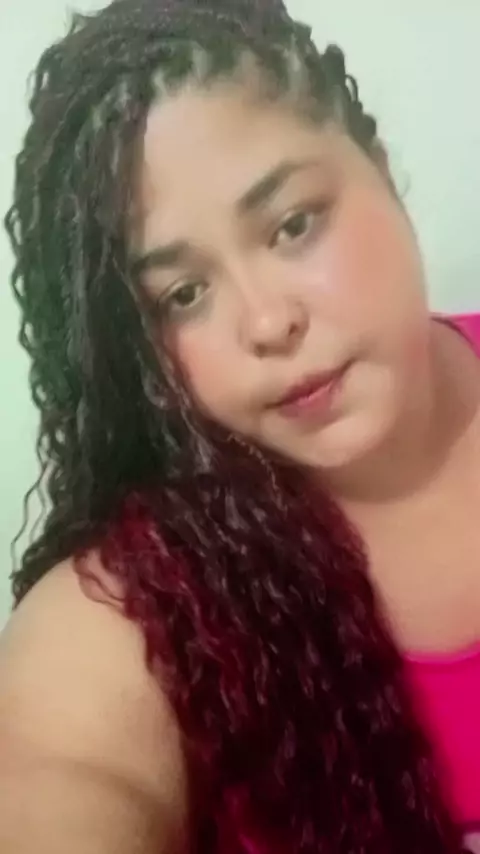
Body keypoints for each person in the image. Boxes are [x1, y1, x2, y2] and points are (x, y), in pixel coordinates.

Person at [1, 0, 479, 851]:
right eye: (184, 294)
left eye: (293, 224)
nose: (267, 323)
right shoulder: (155, 605)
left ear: (376, 164)